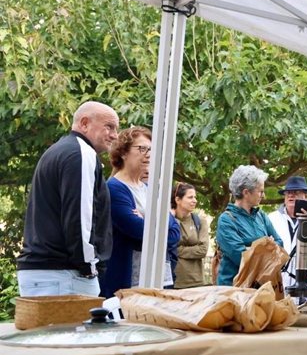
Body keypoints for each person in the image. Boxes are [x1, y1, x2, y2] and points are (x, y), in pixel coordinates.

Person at [17, 101, 119, 297]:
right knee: (77, 329)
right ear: (84, 123)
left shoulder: (59, 150)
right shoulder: (81, 153)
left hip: (43, 272)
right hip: (64, 274)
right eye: (109, 126)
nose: (114, 135)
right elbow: (80, 217)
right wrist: (89, 266)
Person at [101, 127, 180, 298]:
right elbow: (139, 231)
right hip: (128, 285)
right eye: (142, 149)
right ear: (123, 152)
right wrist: (157, 222)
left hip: (160, 279)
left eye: (151, 149)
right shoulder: (114, 189)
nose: (148, 154)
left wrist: (147, 220)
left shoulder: (148, 189)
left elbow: (174, 234)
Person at [216, 165, 283, 285]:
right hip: (233, 289)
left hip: (258, 287)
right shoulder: (226, 220)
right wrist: (267, 246)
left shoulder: (261, 216)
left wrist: (255, 248)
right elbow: (241, 257)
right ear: (246, 192)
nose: (263, 196)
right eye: (260, 191)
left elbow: (279, 242)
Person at [171, 182, 210, 288]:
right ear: (178, 200)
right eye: (190, 197)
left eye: (195, 197)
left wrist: (178, 249)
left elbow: (203, 250)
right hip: (173, 280)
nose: (195, 201)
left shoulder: (200, 221)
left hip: (196, 281)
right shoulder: (169, 220)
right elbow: (165, 246)